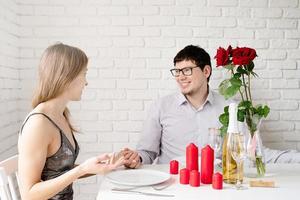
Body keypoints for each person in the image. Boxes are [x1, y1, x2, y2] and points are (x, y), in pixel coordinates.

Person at [123, 45, 300, 169]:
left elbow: (252, 152)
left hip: (217, 186)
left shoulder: (230, 108)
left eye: (187, 70)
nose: (180, 77)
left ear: (206, 71)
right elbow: (146, 153)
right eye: (177, 71)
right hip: (173, 184)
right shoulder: (161, 106)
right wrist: (135, 158)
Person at [18, 43, 125, 200]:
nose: (86, 83)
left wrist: (97, 166)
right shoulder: (38, 124)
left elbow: (58, 171)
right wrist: (81, 169)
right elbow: (28, 194)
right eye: (84, 74)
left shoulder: (60, 114)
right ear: (66, 77)